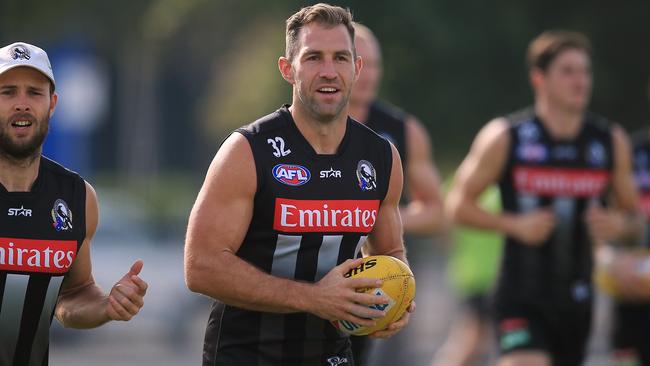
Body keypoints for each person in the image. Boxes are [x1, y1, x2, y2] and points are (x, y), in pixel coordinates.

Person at [184, 4, 413, 366]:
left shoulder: (382, 157)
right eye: (313, 58)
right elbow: (200, 266)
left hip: (331, 355)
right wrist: (314, 298)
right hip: (246, 355)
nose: (328, 72)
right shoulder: (247, 150)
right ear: (287, 69)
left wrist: (396, 301)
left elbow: (391, 254)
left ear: (357, 68)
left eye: (340, 58)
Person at [445, 30, 642, 366]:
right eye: (568, 71)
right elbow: (457, 206)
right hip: (519, 296)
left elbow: (634, 219)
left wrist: (617, 225)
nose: (580, 81)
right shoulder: (507, 137)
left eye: (585, 71)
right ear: (539, 79)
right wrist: (514, 224)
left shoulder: (609, 141)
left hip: (578, 300)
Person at [0, 42, 148, 366]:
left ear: (52, 104)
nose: (22, 104)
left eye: (34, 93)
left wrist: (108, 305)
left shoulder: (76, 197)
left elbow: (72, 295)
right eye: (8, 92)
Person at [345, 23, 445, 365]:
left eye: (375, 64)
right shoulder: (304, 126)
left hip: (380, 279)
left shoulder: (403, 130)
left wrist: (377, 218)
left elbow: (436, 211)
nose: (368, 73)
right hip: (314, 276)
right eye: (360, 62)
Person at [432, 185, 502, 366]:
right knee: (471, 340)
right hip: (488, 277)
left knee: (476, 340)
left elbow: (444, 233)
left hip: (469, 273)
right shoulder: (502, 187)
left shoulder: (457, 180)